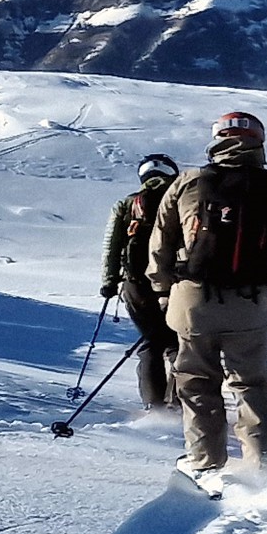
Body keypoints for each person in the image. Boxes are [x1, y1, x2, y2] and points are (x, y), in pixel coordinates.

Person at [153, 110, 267, 485]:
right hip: (250, 304)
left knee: (195, 382)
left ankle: (205, 461)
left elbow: (160, 243)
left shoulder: (187, 183)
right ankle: (265, 469)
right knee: (253, 386)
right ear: (259, 142)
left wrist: (163, 292)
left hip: (192, 302)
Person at [100, 152, 182, 409]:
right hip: (176, 284)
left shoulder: (126, 205)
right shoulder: (182, 202)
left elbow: (112, 247)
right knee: (179, 343)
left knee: (151, 342)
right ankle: (178, 402)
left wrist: (109, 281)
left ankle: (152, 404)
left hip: (135, 285)